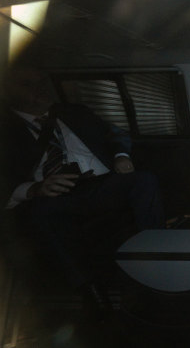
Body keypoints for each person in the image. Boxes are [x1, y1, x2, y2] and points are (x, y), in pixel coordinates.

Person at [0, 64, 166, 314]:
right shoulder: (6, 131)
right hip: (55, 196)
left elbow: (116, 133)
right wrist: (34, 189)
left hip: (101, 184)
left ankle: (158, 258)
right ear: (7, 91)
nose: (40, 89)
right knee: (39, 213)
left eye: (42, 82)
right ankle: (90, 290)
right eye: (27, 84)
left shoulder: (74, 113)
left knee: (144, 180)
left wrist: (121, 154)